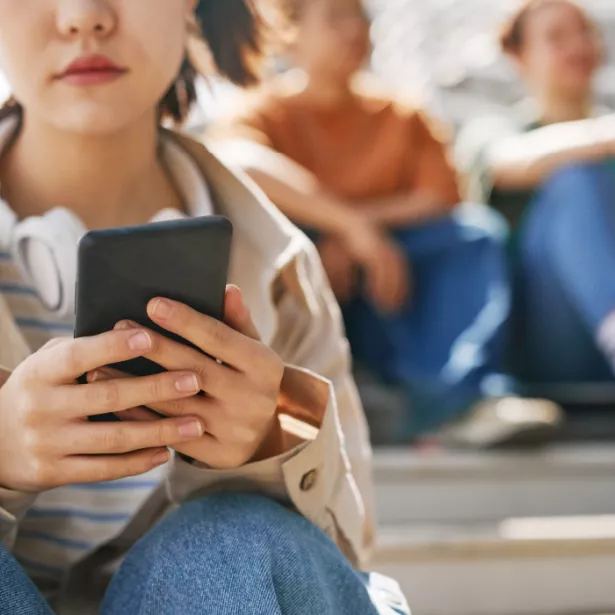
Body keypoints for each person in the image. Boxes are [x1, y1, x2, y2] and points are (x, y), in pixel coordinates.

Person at [0, 1, 411, 614]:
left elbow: (345, 561)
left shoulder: (279, 264)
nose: (83, 16)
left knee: (229, 540)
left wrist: (268, 448)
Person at [211, 0, 560, 445]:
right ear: (291, 34)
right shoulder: (261, 111)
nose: (355, 30)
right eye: (336, 17)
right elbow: (237, 162)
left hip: (394, 292)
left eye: (361, 18)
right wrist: (349, 228)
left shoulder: (402, 114)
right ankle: (287, 413)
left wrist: (362, 235)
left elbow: (442, 196)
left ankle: (462, 402)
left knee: (473, 235)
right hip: (307, 292)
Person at [457, 0, 615, 389]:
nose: (576, 45)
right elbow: (508, 163)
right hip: (548, 340)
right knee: (574, 181)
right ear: (518, 55)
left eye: (584, 31)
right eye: (556, 37)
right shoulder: (494, 130)